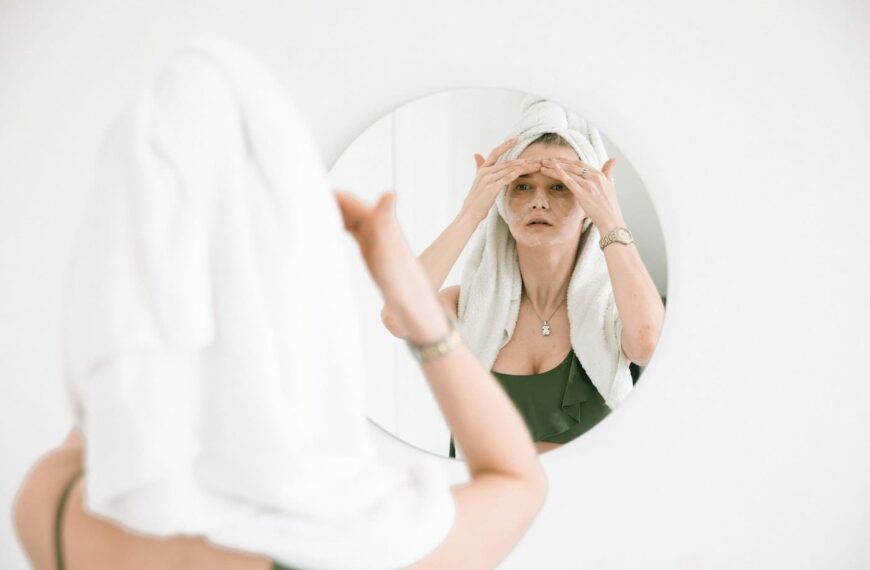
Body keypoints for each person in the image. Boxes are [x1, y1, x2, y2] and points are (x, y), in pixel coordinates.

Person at [12, 190, 548, 570]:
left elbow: (107, 386)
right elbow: (518, 481)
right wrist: (414, 304)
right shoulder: (363, 541)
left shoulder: (54, 505)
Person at [382, 122, 666, 457]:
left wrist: (611, 220)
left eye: (560, 187)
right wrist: (472, 212)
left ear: (589, 204)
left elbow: (649, 345)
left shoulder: (611, 309)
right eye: (521, 186)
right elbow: (397, 317)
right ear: (501, 201)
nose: (539, 202)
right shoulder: (467, 308)